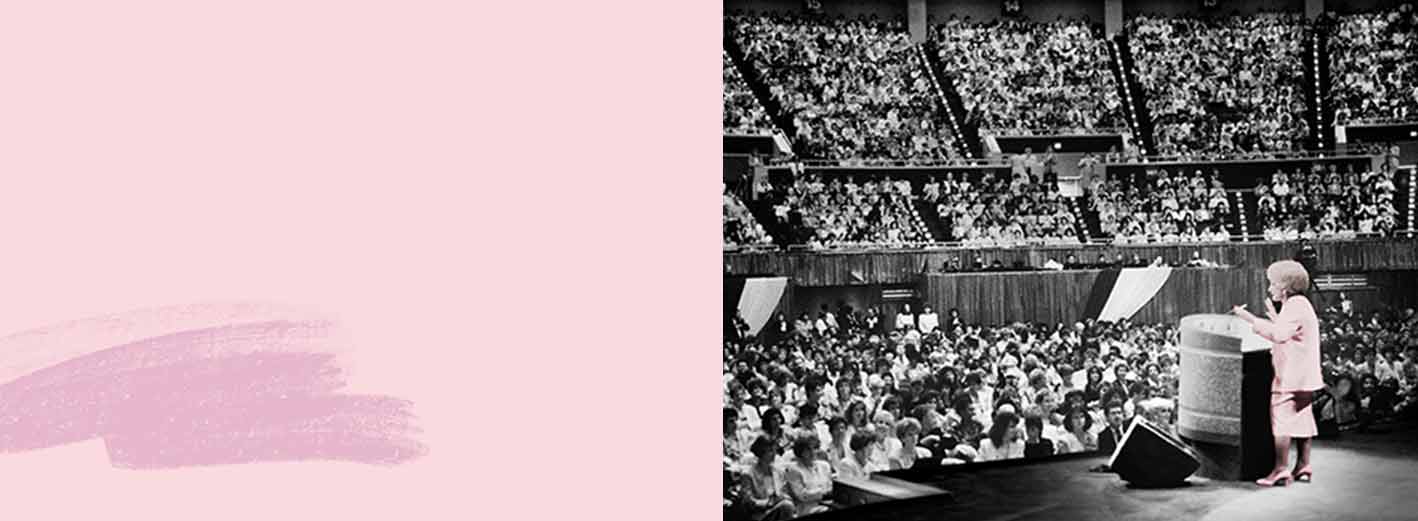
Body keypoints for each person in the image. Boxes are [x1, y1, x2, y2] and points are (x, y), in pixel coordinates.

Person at [1232, 259, 1324, 487]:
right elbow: (1290, 331)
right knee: (1302, 418)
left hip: (1290, 377)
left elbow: (1280, 335)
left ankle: (1280, 470)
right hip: (1305, 376)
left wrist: (1250, 319)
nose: (1269, 288)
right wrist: (1273, 316)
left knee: (1281, 422)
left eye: (1272, 284)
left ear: (1284, 287)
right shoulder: (1302, 304)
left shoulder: (1294, 305)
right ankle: (1303, 465)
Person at [742, 437, 797, 521]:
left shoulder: (778, 471)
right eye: (770, 451)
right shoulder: (748, 474)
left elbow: (785, 492)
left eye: (775, 450)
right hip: (761, 515)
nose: (774, 454)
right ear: (761, 452)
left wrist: (785, 497)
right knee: (787, 506)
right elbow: (748, 502)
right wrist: (769, 502)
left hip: (781, 509)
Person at [784, 435, 834, 517]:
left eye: (813, 449)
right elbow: (802, 496)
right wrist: (823, 493)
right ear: (799, 453)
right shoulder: (793, 470)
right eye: (807, 450)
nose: (812, 452)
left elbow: (831, 486)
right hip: (808, 508)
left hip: (829, 503)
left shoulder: (824, 465)